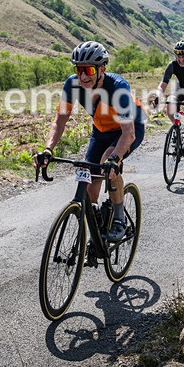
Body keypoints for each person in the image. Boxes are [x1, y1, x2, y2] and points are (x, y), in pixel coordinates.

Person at [35, 41, 145, 242]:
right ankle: (96, 232)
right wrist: (48, 149)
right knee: (88, 181)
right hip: (101, 130)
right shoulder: (73, 84)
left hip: (128, 129)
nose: (83, 76)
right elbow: (60, 121)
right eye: (79, 70)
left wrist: (115, 158)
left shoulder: (117, 87)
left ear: (102, 68)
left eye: (88, 70)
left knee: (107, 162)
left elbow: (128, 134)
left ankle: (120, 220)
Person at [150, 40, 184, 170]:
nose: (181, 59)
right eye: (178, 56)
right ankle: (178, 129)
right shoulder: (172, 65)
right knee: (170, 106)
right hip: (182, 89)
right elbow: (163, 84)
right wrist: (158, 96)